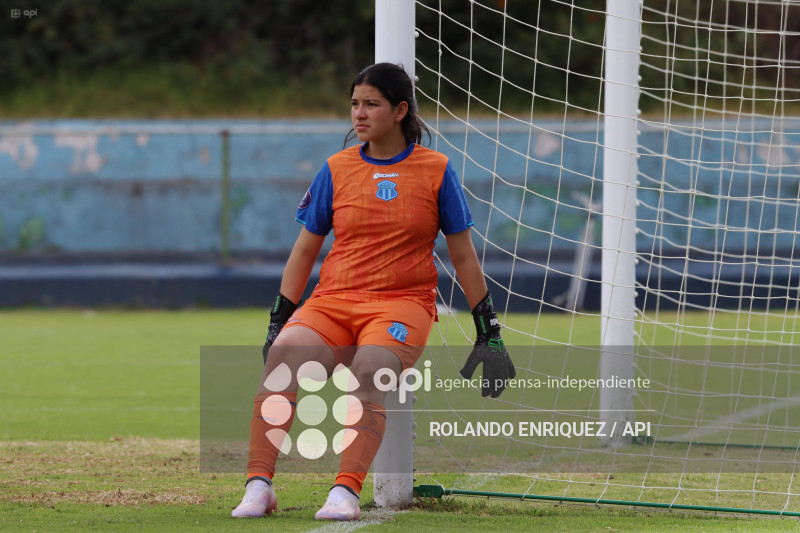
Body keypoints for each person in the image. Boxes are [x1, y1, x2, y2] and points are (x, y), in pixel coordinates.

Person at [231, 62, 515, 521]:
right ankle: (259, 486)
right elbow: (305, 251)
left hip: (403, 305)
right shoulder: (336, 168)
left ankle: (344, 492)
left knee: (371, 369)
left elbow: (463, 257)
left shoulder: (437, 170)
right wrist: (279, 320)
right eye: (354, 104)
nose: (358, 114)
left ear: (401, 110)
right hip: (333, 302)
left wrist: (489, 331)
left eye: (371, 104)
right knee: (282, 358)